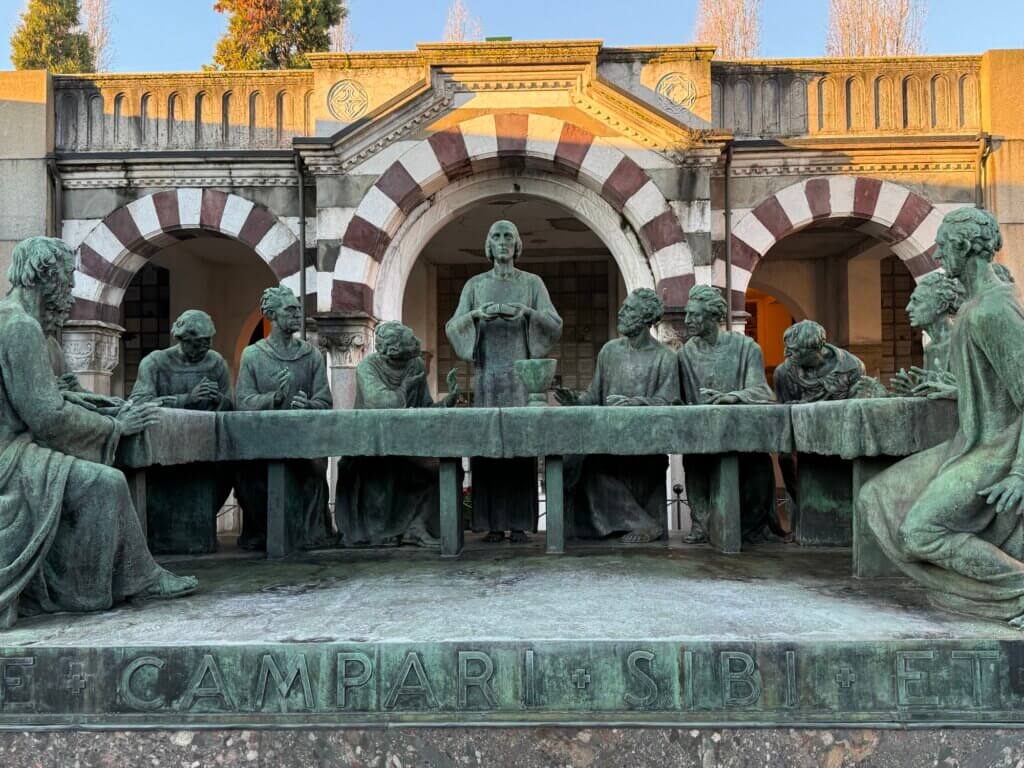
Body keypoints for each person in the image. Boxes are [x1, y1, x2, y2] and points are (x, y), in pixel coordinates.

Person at [0, 236, 196, 630]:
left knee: (103, 481)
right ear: (45, 275)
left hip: (24, 444)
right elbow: (47, 415)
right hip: (11, 454)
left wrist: (108, 407)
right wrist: (114, 427)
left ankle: (131, 577)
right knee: (105, 484)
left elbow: (64, 392)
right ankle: (86, 592)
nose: (71, 288)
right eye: (67, 278)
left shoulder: (31, 328)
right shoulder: (19, 328)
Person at [861, 208, 1024, 626]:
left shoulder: (993, 310)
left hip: (996, 450)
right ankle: (963, 590)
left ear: (965, 246)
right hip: (971, 440)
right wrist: (959, 389)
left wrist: (1019, 473)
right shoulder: (975, 308)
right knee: (874, 497)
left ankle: (1017, 587)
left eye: (943, 244)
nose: (936, 254)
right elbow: (999, 383)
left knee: (919, 531)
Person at [445, 220, 562, 543]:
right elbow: (453, 326)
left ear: (517, 245)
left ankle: (521, 523)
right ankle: (492, 525)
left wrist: (527, 313)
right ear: (488, 245)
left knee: (520, 448)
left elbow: (553, 324)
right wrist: (477, 315)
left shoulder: (532, 283)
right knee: (489, 449)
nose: (502, 241)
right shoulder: (475, 285)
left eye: (508, 236)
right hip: (487, 378)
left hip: (521, 379)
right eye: (495, 236)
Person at [555, 289, 680, 543]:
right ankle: (633, 524)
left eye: (629, 309)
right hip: (608, 444)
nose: (621, 313)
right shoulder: (610, 352)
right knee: (572, 463)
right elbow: (594, 396)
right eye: (622, 308)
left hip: (644, 449)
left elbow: (669, 403)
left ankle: (643, 524)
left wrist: (636, 403)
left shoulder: (665, 358)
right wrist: (575, 402)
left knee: (591, 470)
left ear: (646, 318)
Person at [335, 322, 459, 548]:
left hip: (407, 444)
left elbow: (423, 408)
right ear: (392, 349)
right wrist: (404, 388)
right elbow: (379, 403)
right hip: (373, 445)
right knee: (382, 469)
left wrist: (447, 402)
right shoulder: (367, 367)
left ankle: (418, 526)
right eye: (410, 340)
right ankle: (383, 530)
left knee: (443, 466)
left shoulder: (416, 365)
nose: (417, 343)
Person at [677, 285, 784, 542]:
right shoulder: (684, 355)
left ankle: (751, 528)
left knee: (757, 468)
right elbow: (676, 397)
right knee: (695, 465)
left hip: (742, 436)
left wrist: (732, 397)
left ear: (714, 316)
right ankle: (702, 525)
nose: (687, 320)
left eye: (694, 315)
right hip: (703, 438)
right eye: (687, 314)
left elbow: (761, 390)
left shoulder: (746, 348)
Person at [235, 286, 331, 551]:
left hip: (303, 442)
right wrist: (273, 398)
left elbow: (325, 402)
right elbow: (242, 402)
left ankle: (308, 533)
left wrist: (309, 404)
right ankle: (264, 533)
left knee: (311, 469)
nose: (297, 315)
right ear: (271, 314)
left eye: (298, 310)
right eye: (290, 310)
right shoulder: (253, 355)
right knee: (248, 474)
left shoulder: (311, 355)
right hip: (263, 443)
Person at [129, 310, 233, 554]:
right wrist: (187, 398)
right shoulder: (155, 362)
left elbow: (230, 404)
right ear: (182, 339)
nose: (203, 349)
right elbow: (139, 403)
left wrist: (218, 399)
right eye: (198, 343)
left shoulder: (216, 362)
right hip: (165, 448)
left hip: (205, 444)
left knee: (229, 470)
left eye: (207, 343)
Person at [890, 272, 965, 398]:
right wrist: (912, 391)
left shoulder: (962, 341)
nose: (908, 308)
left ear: (941, 306)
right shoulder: (930, 348)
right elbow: (933, 398)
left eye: (917, 301)